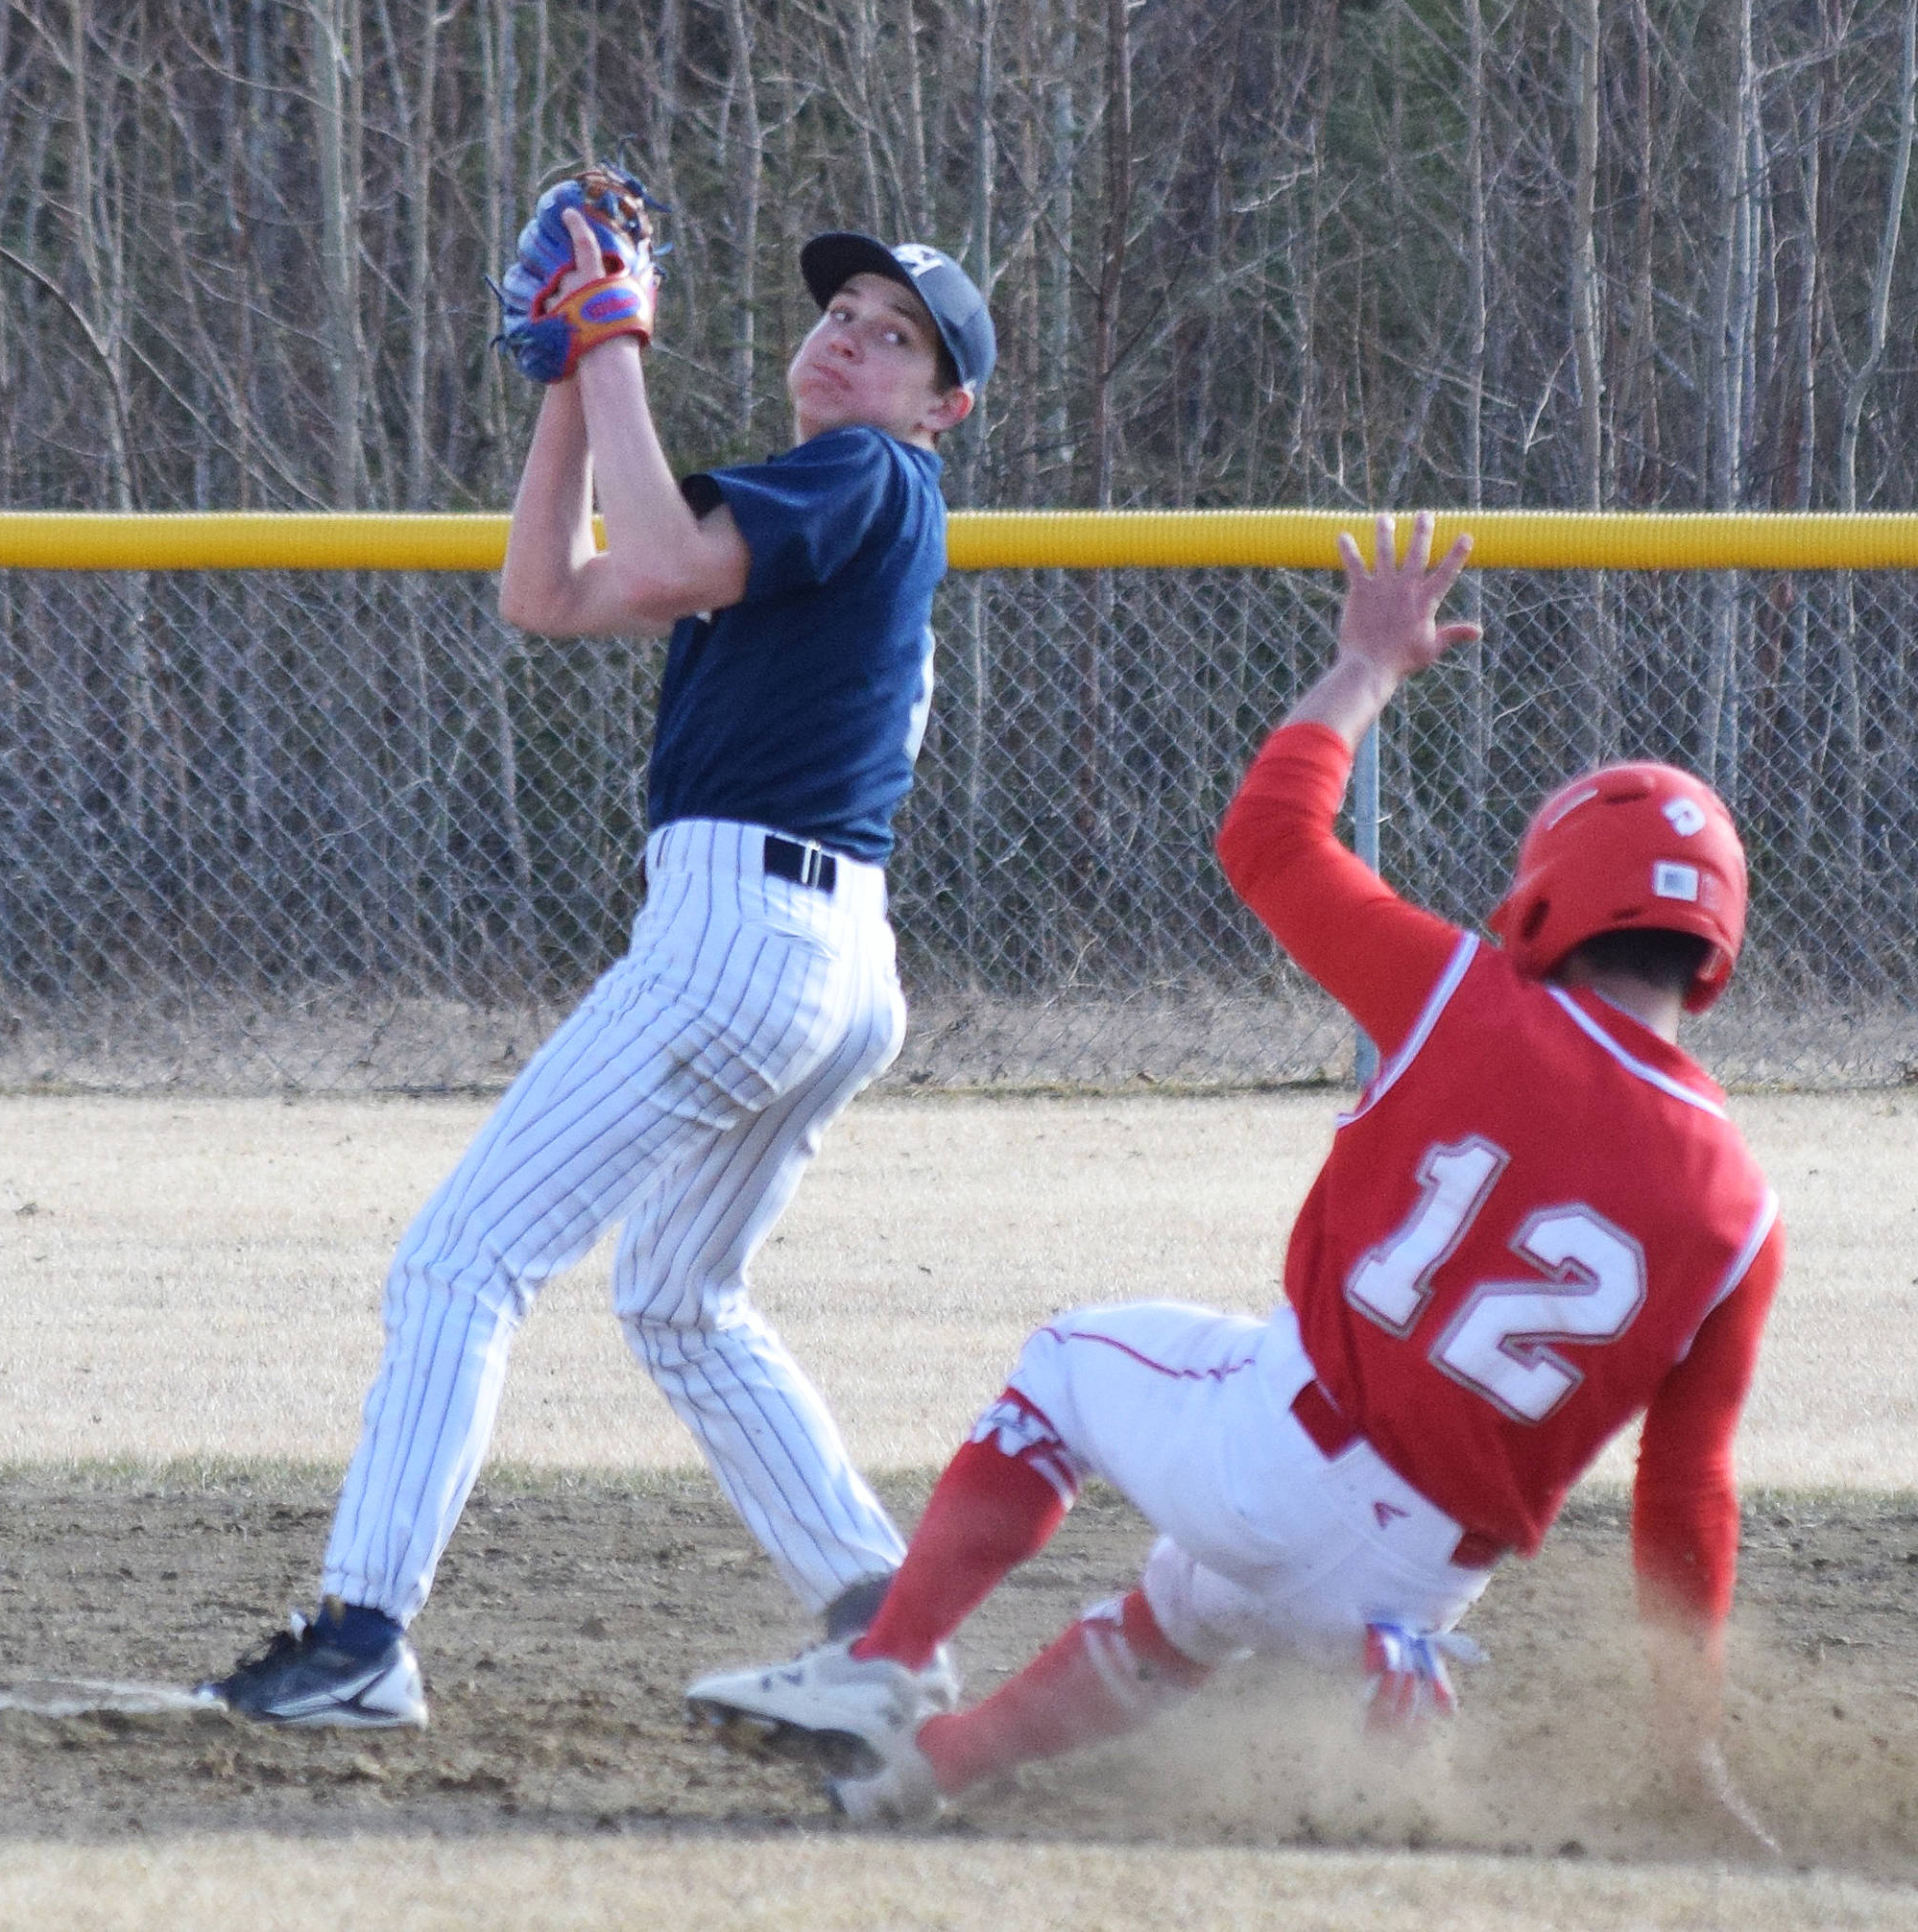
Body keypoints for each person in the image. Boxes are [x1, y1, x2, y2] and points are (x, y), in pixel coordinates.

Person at [684, 512, 1783, 1828]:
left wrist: (1369, 665)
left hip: (1287, 1453)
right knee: (1185, 1606)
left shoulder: (1465, 995)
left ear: (1551, 898)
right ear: (1710, 948)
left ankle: (882, 1670)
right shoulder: (1743, 1215)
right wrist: (1688, 1736)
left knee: (1067, 1366)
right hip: (1424, 1574)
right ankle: (928, 1770)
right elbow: (1686, 1498)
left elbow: (1267, 834)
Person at [197, 194, 996, 1727]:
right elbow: (550, 594)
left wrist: (616, 334)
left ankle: (362, 1635)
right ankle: (882, 1628)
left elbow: (678, 562)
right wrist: (573, 378)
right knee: (682, 1299)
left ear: (941, 409)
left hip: (739, 933)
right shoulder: (826, 499)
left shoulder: (871, 474)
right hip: (828, 955)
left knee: (459, 1259)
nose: (848, 341)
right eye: (840, 315)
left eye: (895, 340)